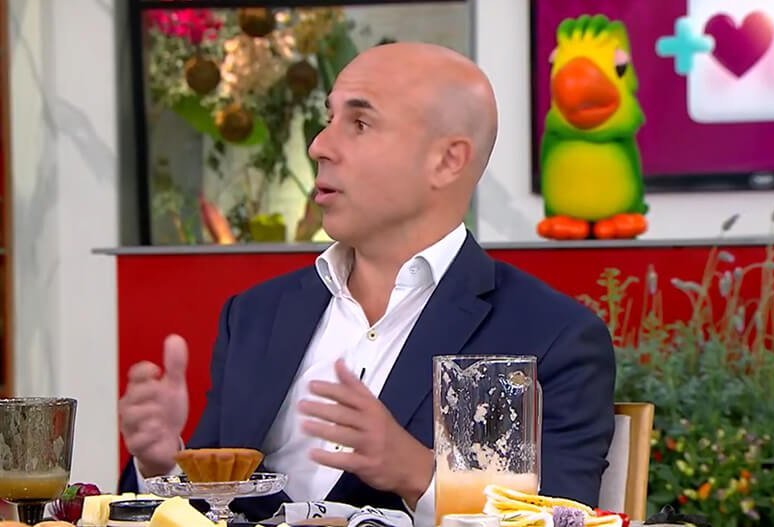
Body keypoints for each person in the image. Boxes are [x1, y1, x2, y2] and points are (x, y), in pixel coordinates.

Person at [118, 42, 615, 526]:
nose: (319, 145)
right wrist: (162, 466)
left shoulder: (550, 337)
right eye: (328, 118)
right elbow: (206, 508)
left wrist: (417, 473)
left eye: (359, 123)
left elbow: (563, 518)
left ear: (447, 161)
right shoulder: (255, 315)